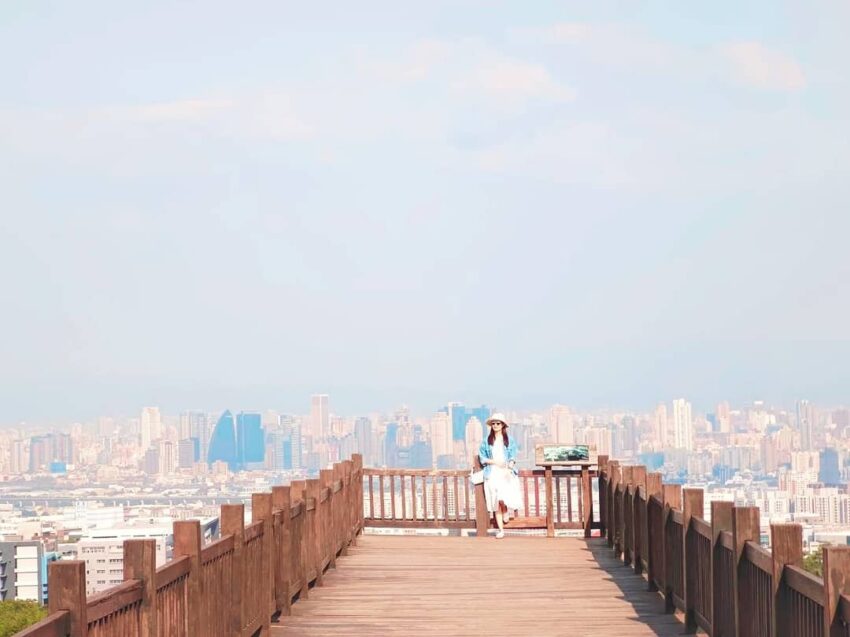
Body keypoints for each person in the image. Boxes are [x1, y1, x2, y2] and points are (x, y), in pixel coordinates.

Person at [478, 413, 522, 538]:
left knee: (502, 497)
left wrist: (510, 465)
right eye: (493, 423)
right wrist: (493, 462)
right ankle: (501, 530)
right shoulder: (487, 441)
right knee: (495, 500)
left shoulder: (509, 440)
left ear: (503, 425)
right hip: (492, 472)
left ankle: (505, 509)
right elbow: (482, 457)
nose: (495, 425)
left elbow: (513, 454)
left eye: (498, 423)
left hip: (505, 472)